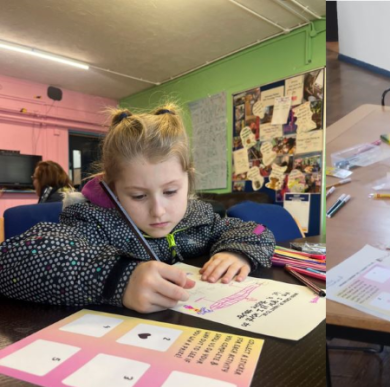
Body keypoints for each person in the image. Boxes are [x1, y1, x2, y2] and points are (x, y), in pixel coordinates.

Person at [0, 104, 275, 313]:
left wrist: (236, 252)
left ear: (188, 179)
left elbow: (257, 229)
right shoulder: (93, 222)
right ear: (113, 190)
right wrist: (119, 278)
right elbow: (11, 262)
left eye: (170, 192)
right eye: (138, 196)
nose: (158, 211)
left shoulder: (199, 216)